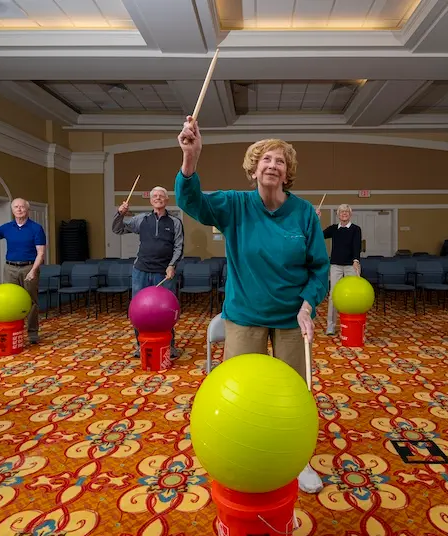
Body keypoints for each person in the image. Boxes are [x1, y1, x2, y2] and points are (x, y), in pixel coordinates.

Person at [175, 116, 330, 494]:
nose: (272, 165)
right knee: (243, 394)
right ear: (253, 169)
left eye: (279, 161)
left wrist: (309, 304)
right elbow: (190, 200)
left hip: (292, 319)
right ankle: (243, 455)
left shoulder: (304, 213)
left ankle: (298, 460)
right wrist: (190, 158)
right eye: (265, 159)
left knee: (294, 394)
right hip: (245, 317)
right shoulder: (235, 206)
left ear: (287, 172)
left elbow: (320, 269)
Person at [111, 186, 184, 360]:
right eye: (155, 196)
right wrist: (119, 213)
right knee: (140, 311)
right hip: (141, 271)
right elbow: (117, 229)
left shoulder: (175, 222)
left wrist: (172, 265)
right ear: (151, 200)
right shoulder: (141, 219)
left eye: (161, 196)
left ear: (166, 200)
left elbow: (179, 246)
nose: (158, 198)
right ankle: (141, 345)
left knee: (165, 310)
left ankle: (169, 345)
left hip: (164, 273)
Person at [0, 198, 46, 344]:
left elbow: (41, 253)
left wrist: (34, 271)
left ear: (27, 209)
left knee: (31, 301)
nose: (19, 209)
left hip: (29, 267)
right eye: (16, 207)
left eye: (22, 207)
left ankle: (32, 332)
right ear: (12, 210)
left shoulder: (36, 228)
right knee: (10, 300)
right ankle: (13, 331)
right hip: (10, 267)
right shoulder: (7, 227)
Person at [322, 203, 362, 336]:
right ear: (338, 215)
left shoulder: (356, 229)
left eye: (346, 212)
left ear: (350, 215)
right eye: (341, 212)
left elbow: (357, 245)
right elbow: (319, 235)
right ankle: (331, 326)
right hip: (335, 266)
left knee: (353, 296)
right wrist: (316, 219)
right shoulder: (334, 229)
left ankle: (353, 325)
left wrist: (356, 260)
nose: (344, 214)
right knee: (334, 295)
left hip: (351, 265)